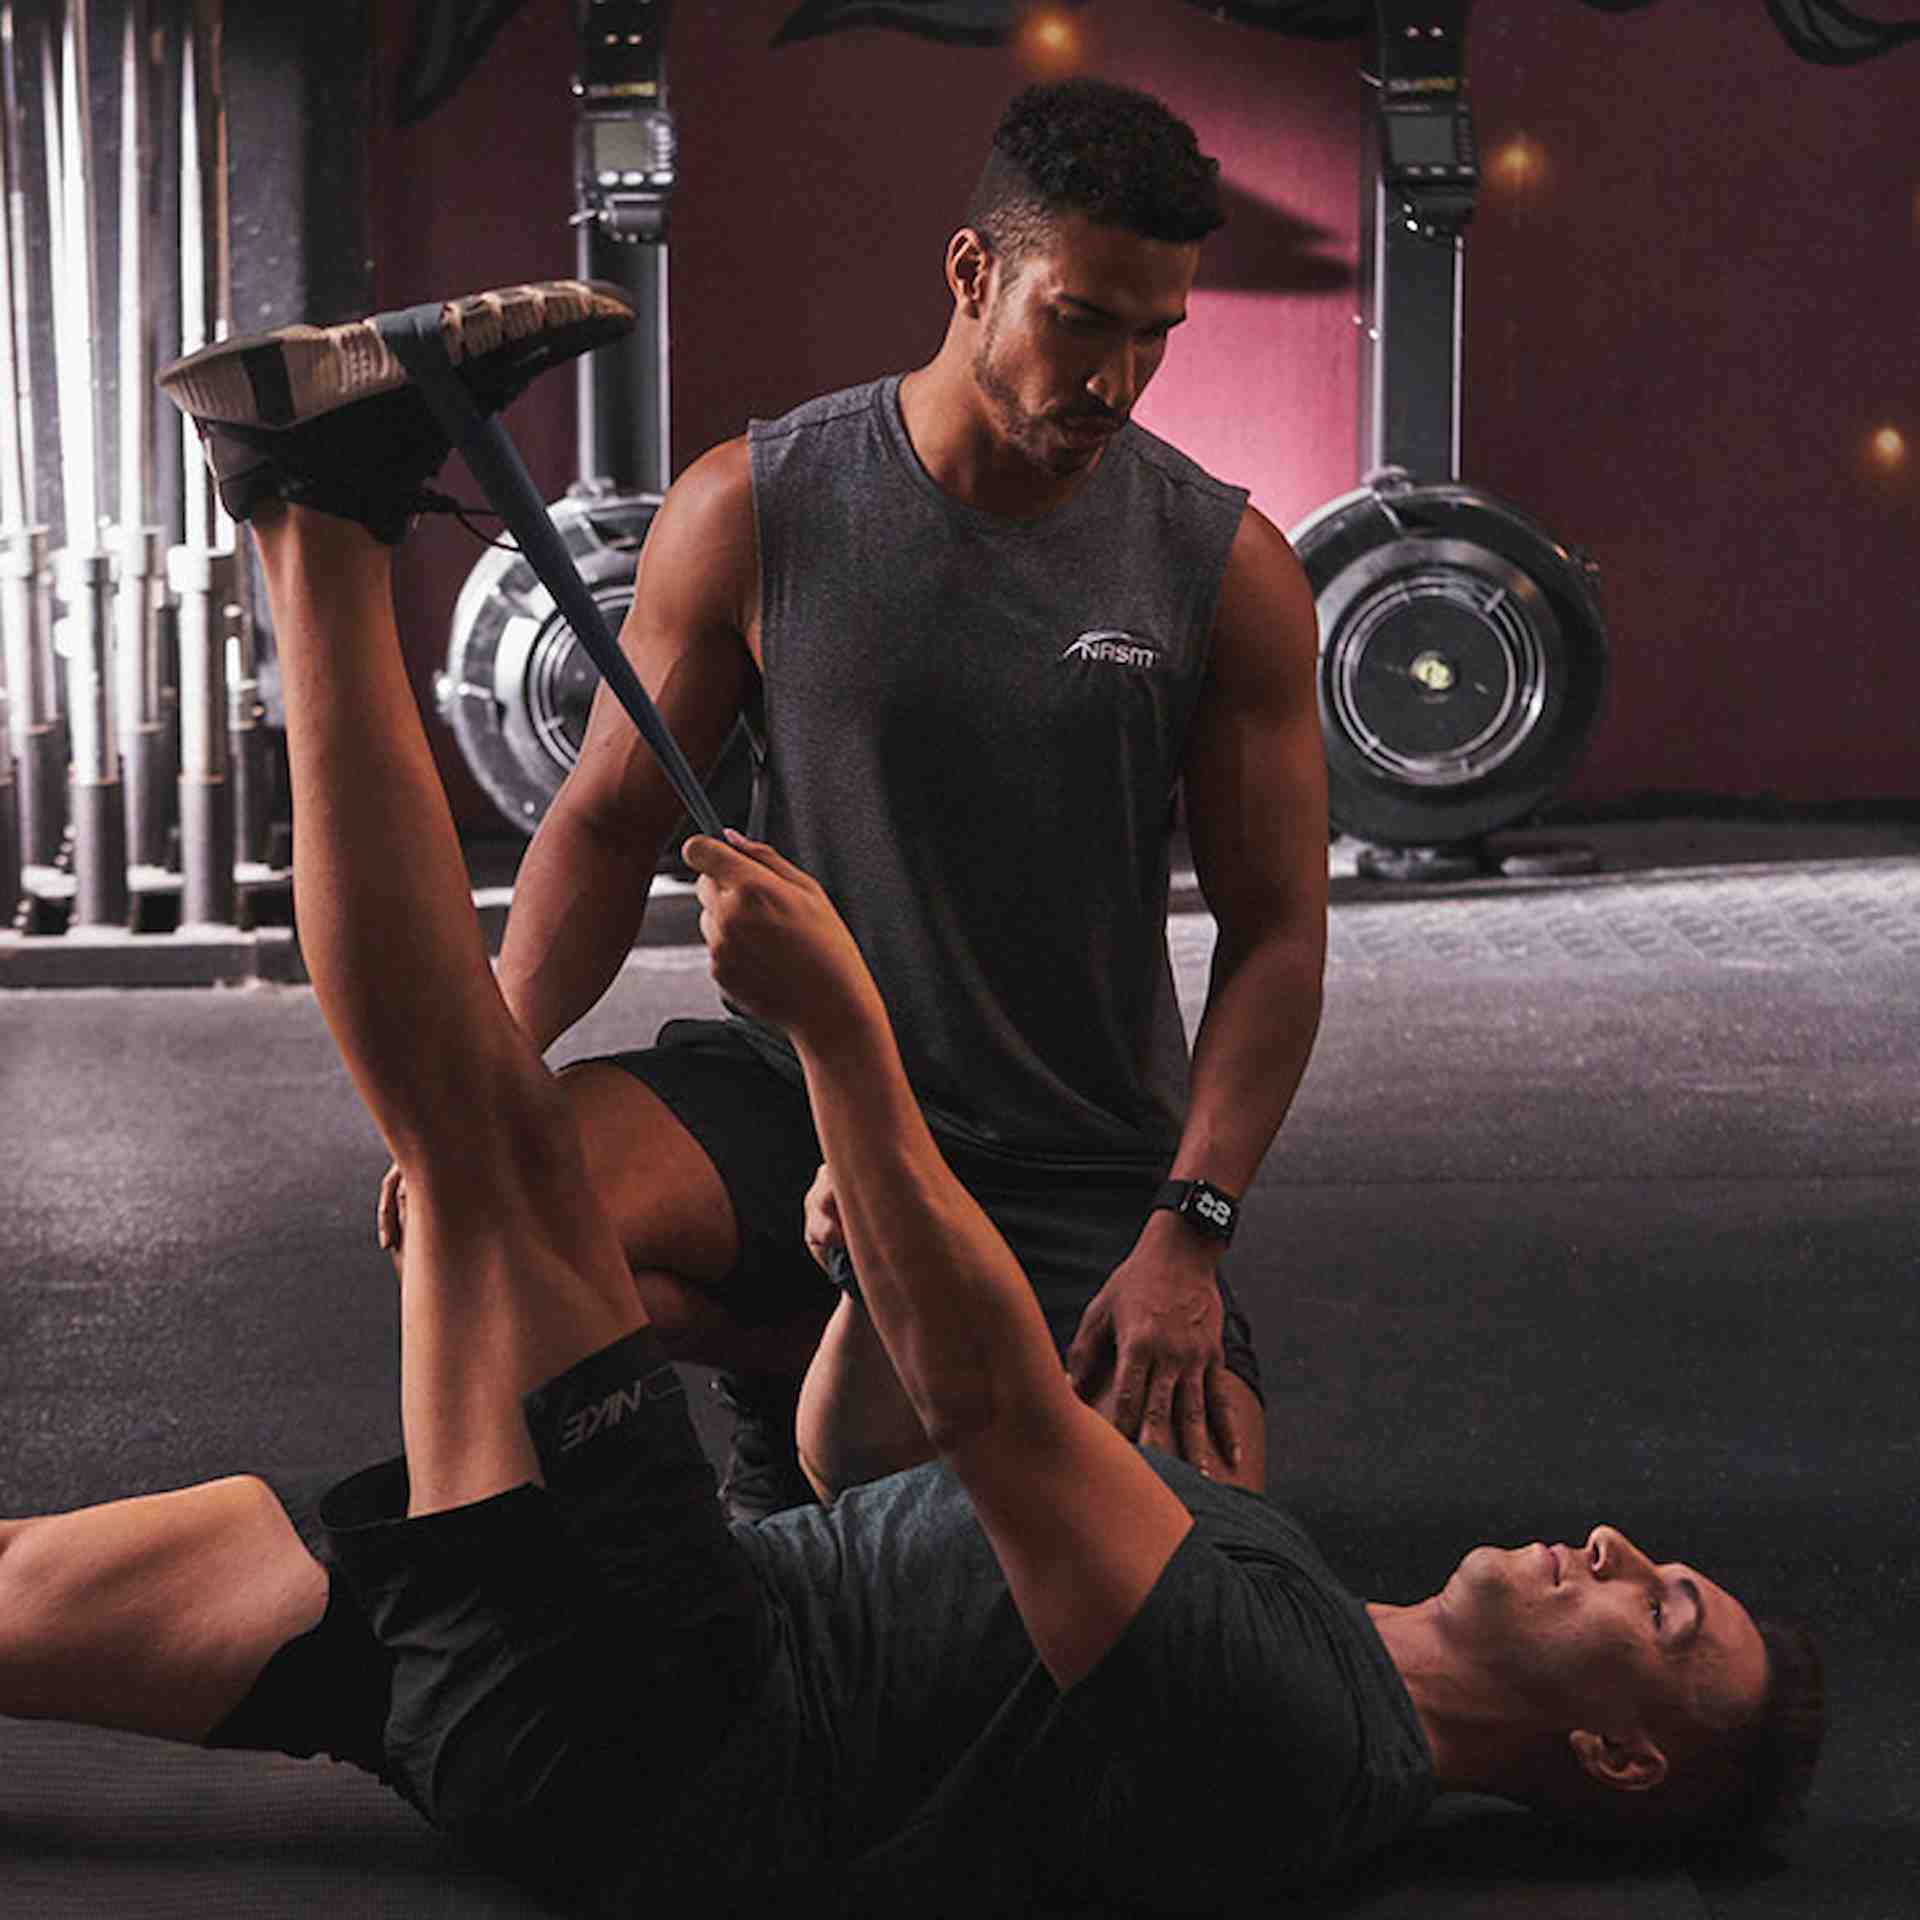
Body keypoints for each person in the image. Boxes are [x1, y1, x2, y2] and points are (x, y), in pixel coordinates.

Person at [0, 289, 1823, 1916]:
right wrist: (867, 1272)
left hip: (662, 1711)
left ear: (1622, 1764)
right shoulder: (1304, 1608)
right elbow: (872, 1466)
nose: (1620, 1550)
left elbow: (1002, 1416)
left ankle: (314, 506)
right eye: (1664, 1568)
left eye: (1661, 1612)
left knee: (488, 1149)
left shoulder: (1309, 1735)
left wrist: (858, 1062)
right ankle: (303, 488)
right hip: (675, 1640)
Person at [374, 77, 1334, 1516]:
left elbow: (1277, 939)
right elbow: (607, 821)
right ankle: (817, 1367)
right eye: (1082, 321)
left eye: (1154, 336)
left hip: (1069, 1154)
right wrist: (487, 1078)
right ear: (971, 273)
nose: (1117, 382)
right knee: (488, 1207)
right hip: (793, 1101)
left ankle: (869, 1377)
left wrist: (1188, 1234)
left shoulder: (1225, 568)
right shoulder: (758, 506)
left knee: (1206, 1558)